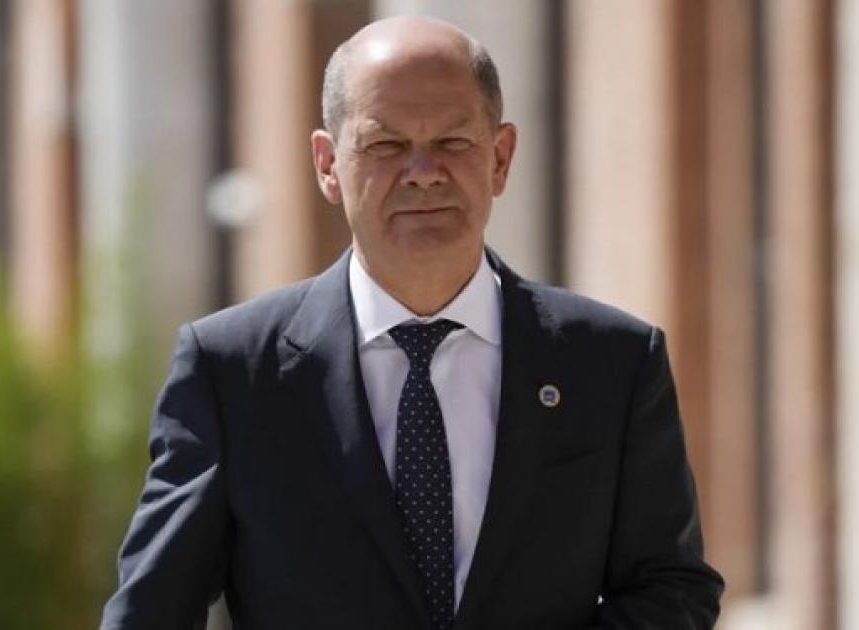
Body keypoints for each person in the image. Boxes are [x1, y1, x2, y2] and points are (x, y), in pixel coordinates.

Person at [101, 15, 724, 630]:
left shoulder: (612, 363)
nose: (424, 171)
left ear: (501, 157)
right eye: (385, 145)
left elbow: (672, 589)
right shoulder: (233, 372)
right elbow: (149, 613)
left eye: (453, 143)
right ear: (327, 164)